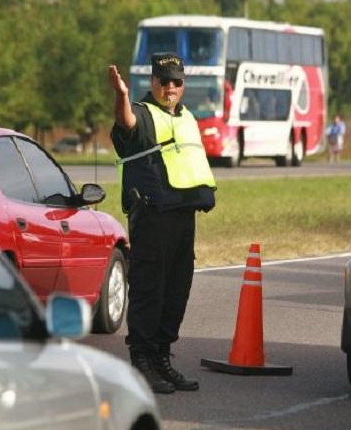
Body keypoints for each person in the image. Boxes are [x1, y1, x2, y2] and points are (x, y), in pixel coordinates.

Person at [108, 52, 216, 394]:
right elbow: (126, 123)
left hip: (183, 214)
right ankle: (141, 359)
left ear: (183, 85)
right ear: (153, 82)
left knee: (176, 290)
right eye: (164, 81)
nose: (170, 87)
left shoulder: (187, 117)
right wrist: (122, 96)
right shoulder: (141, 112)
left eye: (177, 82)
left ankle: (161, 357)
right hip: (152, 216)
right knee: (149, 288)